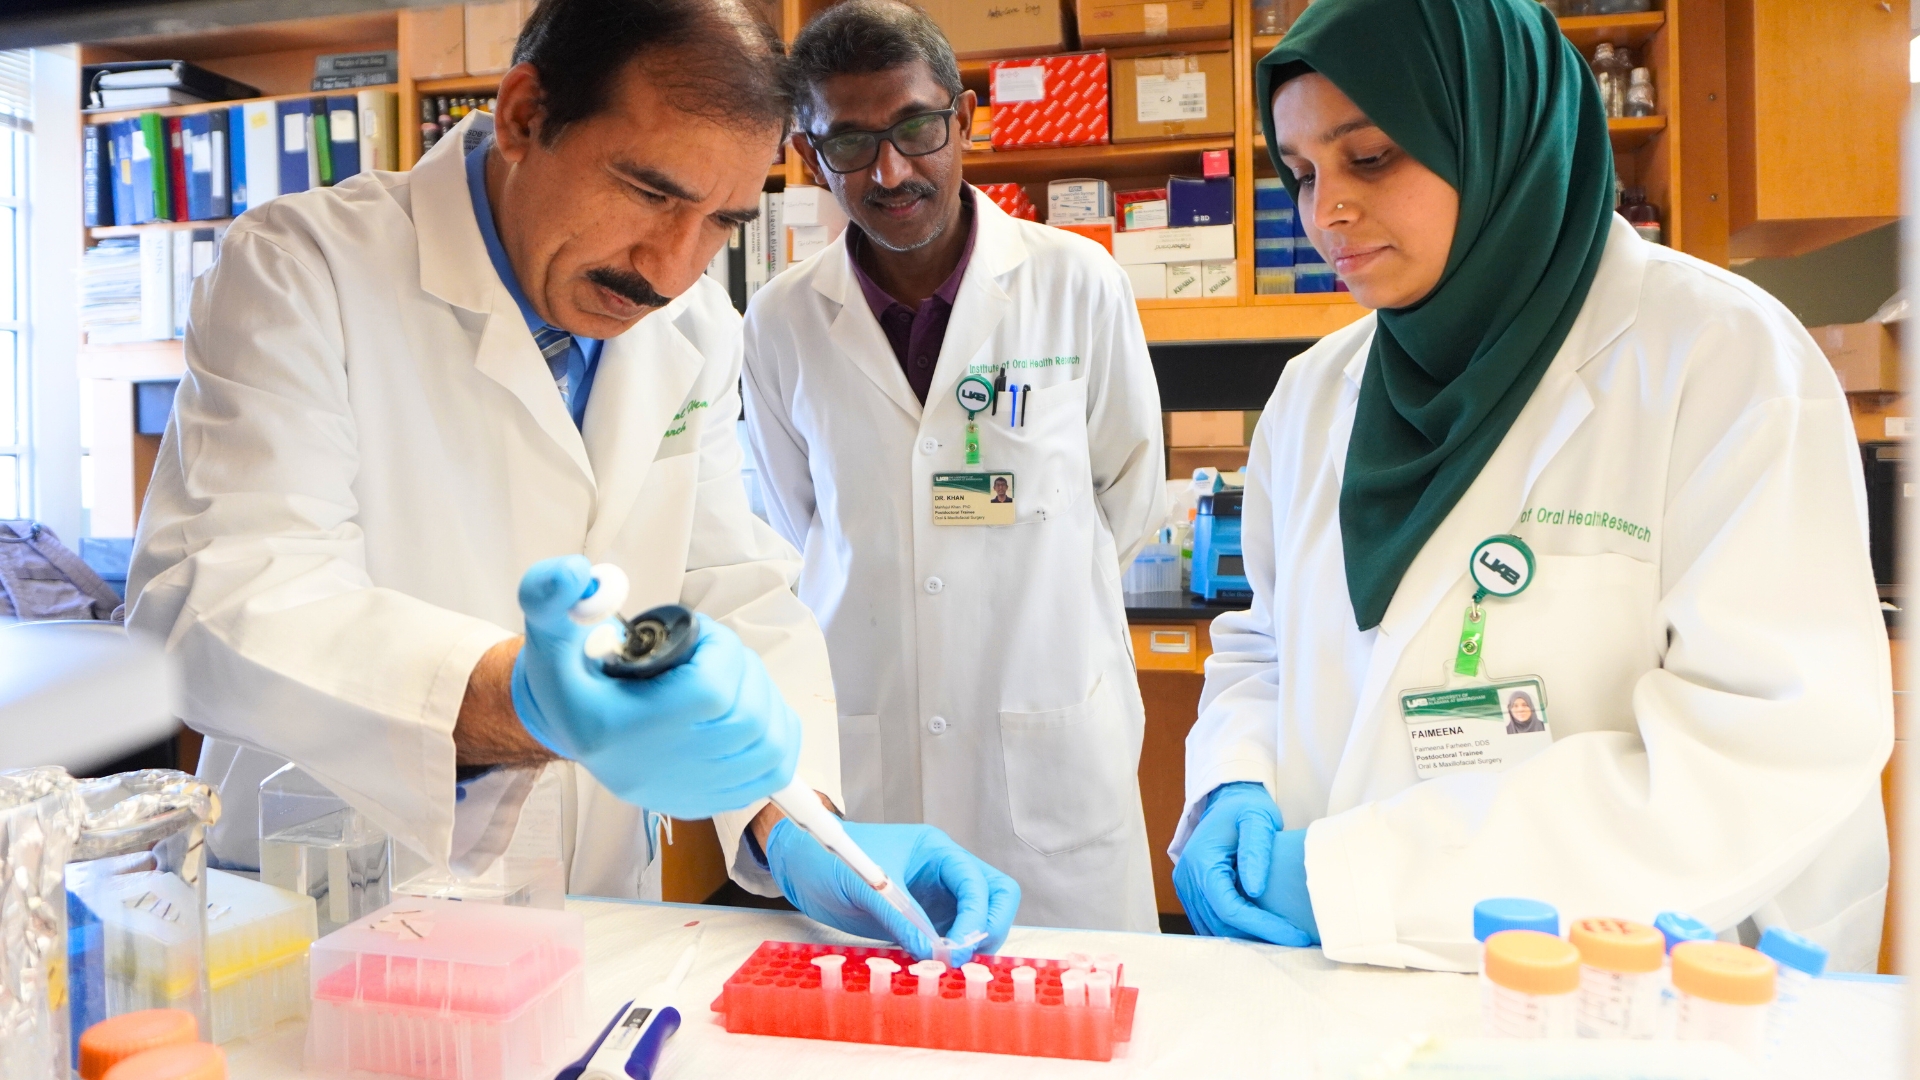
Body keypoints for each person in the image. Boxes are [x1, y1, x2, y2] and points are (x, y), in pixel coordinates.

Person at [127, 0, 1013, 963]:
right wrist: (518, 700)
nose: (671, 268)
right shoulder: (305, 269)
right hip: (342, 907)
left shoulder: (697, 327)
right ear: (522, 116)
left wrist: (798, 818)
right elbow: (216, 600)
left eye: (718, 222)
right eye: (649, 193)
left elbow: (729, 583)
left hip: (590, 917)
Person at [1172, 0, 1892, 971]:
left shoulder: (1721, 359)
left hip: (1623, 989)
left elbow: (1760, 748)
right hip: (1337, 979)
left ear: (1499, 129)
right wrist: (1234, 781)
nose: (1323, 210)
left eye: (1371, 155)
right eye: (1299, 174)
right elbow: (1265, 645)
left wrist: (1364, 880)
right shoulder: (1315, 395)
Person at [742, 0, 1168, 931]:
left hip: (1049, 760)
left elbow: (1125, 497)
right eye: (848, 143)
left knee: (1079, 1032)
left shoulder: (1074, 283)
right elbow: (791, 528)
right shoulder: (779, 321)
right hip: (873, 757)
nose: (890, 170)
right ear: (809, 158)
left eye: (915, 128)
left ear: (963, 118)